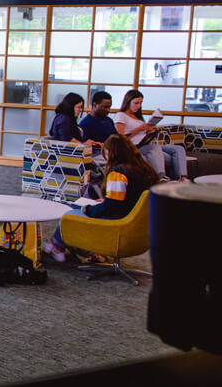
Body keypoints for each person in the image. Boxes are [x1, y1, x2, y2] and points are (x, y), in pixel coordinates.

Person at [44, 134, 158, 262]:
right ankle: (71, 245)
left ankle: (56, 246)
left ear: (110, 152)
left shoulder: (118, 173)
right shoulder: (146, 170)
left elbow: (110, 207)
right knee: (76, 206)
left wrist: (88, 210)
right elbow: (131, 197)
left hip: (119, 221)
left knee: (69, 213)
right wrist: (106, 200)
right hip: (137, 221)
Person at [113, 89, 188, 180]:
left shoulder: (138, 117)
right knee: (155, 147)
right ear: (128, 102)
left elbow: (142, 134)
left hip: (145, 144)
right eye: (136, 103)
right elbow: (121, 137)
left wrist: (149, 131)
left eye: (140, 103)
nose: (138, 106)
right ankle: (160, 177)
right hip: (134, 147)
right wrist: (140, 129)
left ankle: (183, 178)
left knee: (178, 149)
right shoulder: (121, 115)